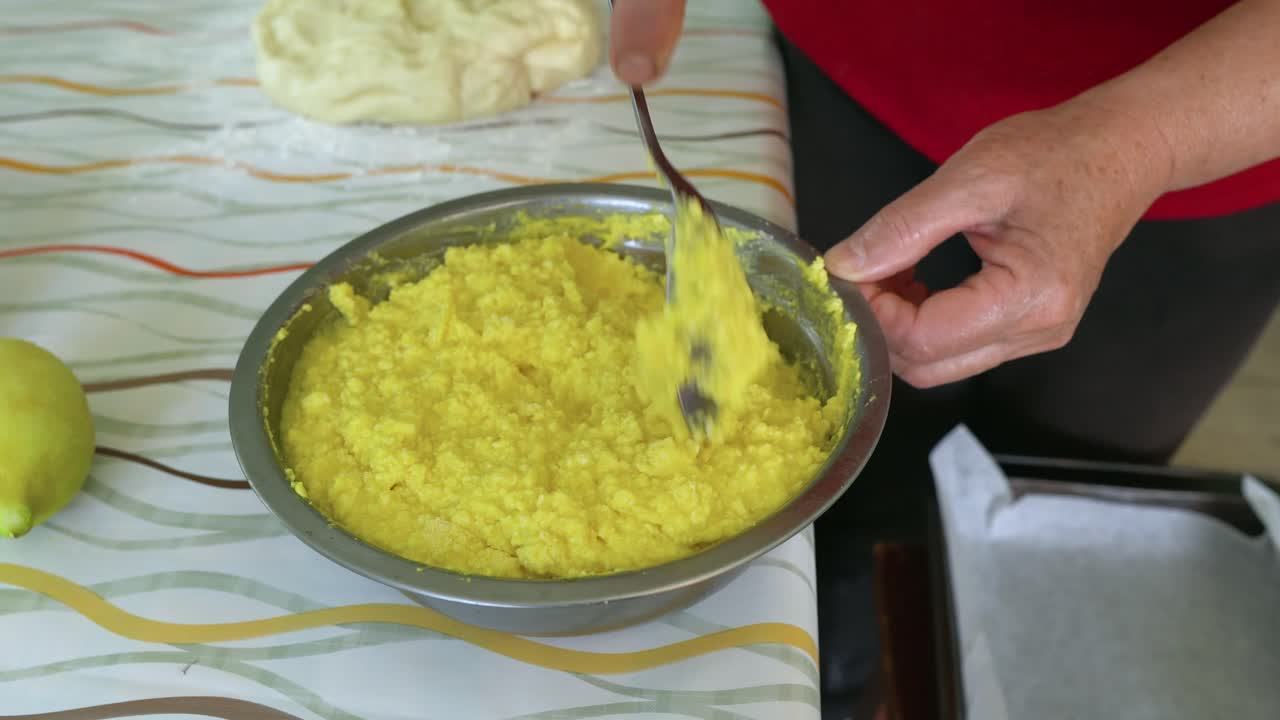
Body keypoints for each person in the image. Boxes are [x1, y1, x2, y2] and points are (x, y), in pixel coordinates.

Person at [609, 0, 1280, 712]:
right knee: (860, 472)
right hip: (852, 72)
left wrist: (1141, 141)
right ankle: (849, 637)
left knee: (1050, 486)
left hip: (1206, 137)